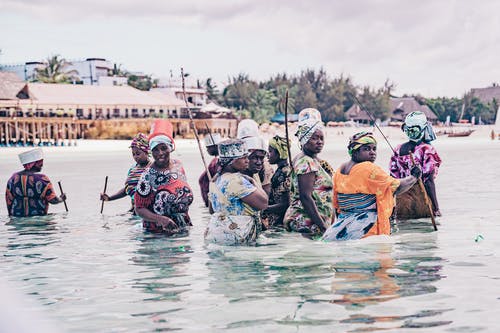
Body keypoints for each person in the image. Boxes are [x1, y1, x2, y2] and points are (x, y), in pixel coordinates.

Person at [322, 132, 420, 241]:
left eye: (374, 149)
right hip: (365, 227)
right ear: (354, 151)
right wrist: (414, 177)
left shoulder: (340, 169)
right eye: (367, 149)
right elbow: (396, 187)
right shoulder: (369, 168)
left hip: (340, 226)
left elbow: (336, 204)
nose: (372, 153)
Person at [134, 120, 193, 234]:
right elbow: (139, 209)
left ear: (170, 148)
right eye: (155, 149)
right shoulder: (147, 176)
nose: (160, 153)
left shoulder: (178, 165)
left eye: (163, 148)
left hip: (183, 228)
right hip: (159, 233)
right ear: (151, 151)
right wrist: (161, 220)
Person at [205, 139, 268, 245]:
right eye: (243, 158)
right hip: (236, 235)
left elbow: (212, 210)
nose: (247, 161)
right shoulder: (237, 181)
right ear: (231, 161)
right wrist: (253, 182)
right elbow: (263, 203)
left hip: (216, 233)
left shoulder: (215, 180)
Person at [283, 109, 333, 236]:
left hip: (309, 223)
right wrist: (323, 227)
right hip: (309, 224)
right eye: (314, 138)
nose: (319, 142)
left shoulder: (309, 160)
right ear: (304, 139)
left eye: (322, 138)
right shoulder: (306, 162)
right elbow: (306, 197)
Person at [389, 111, 442, 218]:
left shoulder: (398, 149)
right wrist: (436, 208)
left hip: (402, 202)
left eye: (414, 131)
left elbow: (392, 181)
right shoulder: (427, 150)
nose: (411, 133)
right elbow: (429, 182)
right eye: (408, 130)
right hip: (421, 200)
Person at [5, 148, 66, 217]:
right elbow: (53, 200)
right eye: (40, 163)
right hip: (38, 219)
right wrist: (61, 199)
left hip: (18, 219)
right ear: (32, 164)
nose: (42, 165)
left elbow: (8, 200)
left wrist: (10, 216)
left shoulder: (13, 178)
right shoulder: (42, 179)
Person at [100, 133, 151, 212]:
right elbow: (127, 189)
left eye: (138, 154)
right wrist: (109, 198)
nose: (135, 157)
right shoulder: (133, 169)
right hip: (134, 211)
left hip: (147, 212)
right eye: (133, 154)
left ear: (146, 152)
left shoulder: (152, 168)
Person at [261, 135, 291, 228]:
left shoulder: (281, 175)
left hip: (279, 222)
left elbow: (285, 204)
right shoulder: (288, 170)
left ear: (279, 153)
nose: (267, 155)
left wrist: (264, 210)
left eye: (270, 151)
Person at [237, 119, 273, 195]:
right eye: (254, 158)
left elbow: (266, 195)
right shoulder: (234, 167)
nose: (259, 162)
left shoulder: (264, 166)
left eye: (261, 158)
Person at [198, 133, 221, 207]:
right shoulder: (215, 161)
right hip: (210, 199)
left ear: (215, 147)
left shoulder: (217, 161)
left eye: (208, 148)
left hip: (213, 198)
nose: (207, 150)